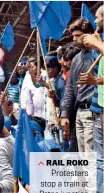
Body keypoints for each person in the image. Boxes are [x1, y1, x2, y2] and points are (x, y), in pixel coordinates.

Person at [60, 18, 95, 153]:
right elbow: (69, 89)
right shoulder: (76, 59)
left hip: (93, 113)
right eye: (73, 36)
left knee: (92, 156)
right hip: (79, 113)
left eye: (78, 36)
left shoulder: (98, 54)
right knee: (82, 157)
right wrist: (64, 114)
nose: (74, 39)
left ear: (89, 34)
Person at [80, 5, 104, 193]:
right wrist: (96, 80)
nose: (94, 21)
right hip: (99, 109)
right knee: (100, 159)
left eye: (97, 17)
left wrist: (98, 45)